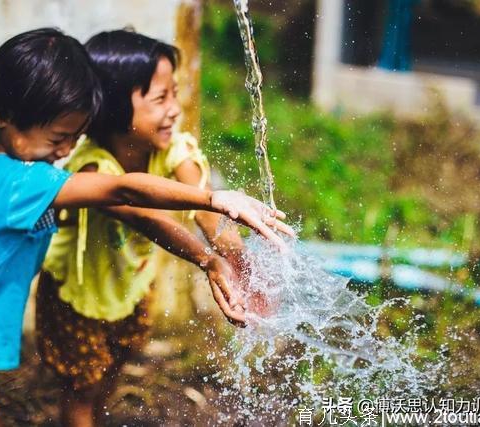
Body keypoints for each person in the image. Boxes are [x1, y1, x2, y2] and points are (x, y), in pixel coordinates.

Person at [0, 27, 290, 427]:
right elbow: (124, 190)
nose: (64, 152)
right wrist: (214, 199)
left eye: (73, 138)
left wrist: (219, 249)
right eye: (58, 137)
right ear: (4, 116)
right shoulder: (23, 182)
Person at [35, 29, 281, 427]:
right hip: (77, 295)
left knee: (114, 367)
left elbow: (205, 207)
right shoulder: (93, 166)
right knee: (81, 387)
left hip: (132, 285)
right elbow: (147, 217)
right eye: (160, 98)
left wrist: (237, 258)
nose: (174, 109)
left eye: (175, 94)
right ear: (115, 107)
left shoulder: (171, 148)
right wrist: (206, 259)